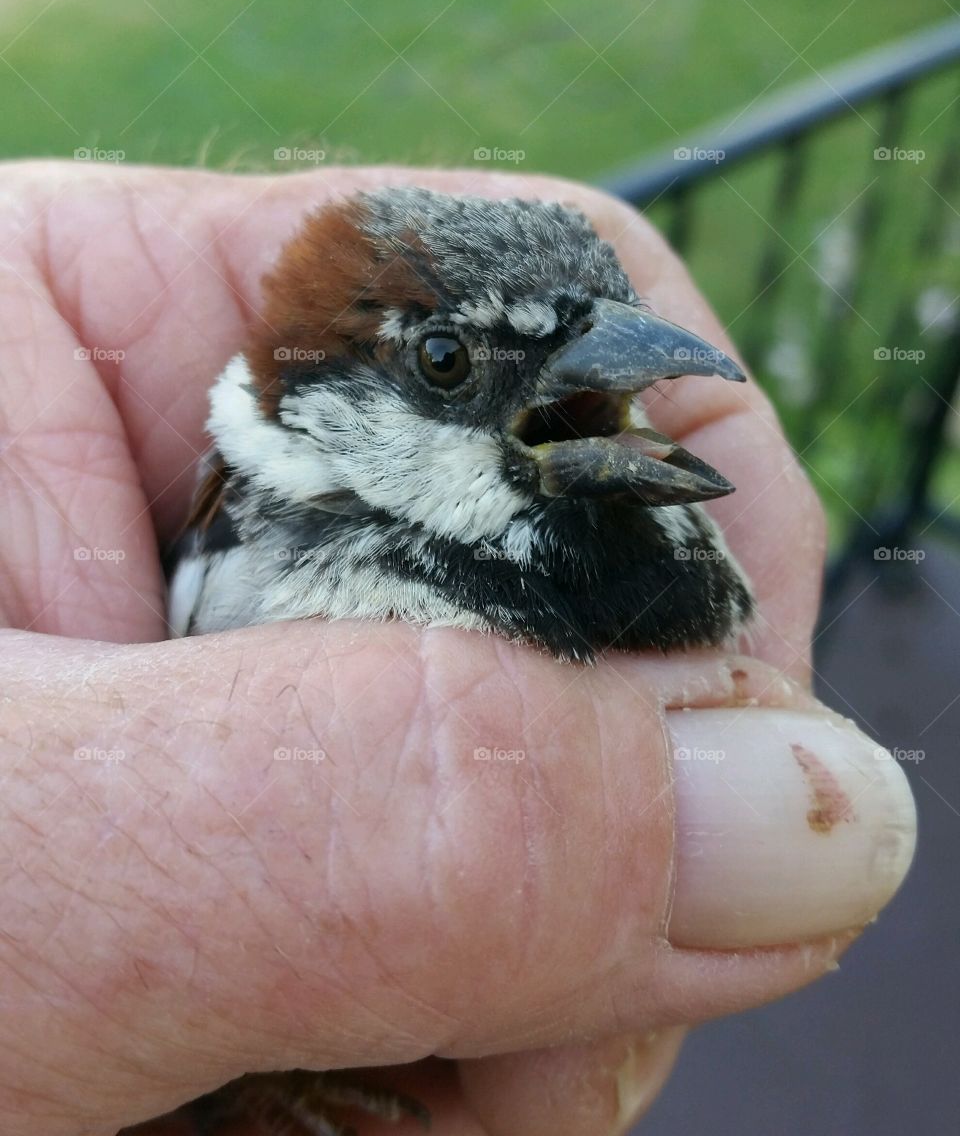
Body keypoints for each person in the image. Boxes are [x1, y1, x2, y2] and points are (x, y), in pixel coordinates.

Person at [0, 162, 916, 1136]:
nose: (610, 378)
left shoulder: (652, 522)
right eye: (448, 364)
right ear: (321, 403)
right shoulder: (253, 567)